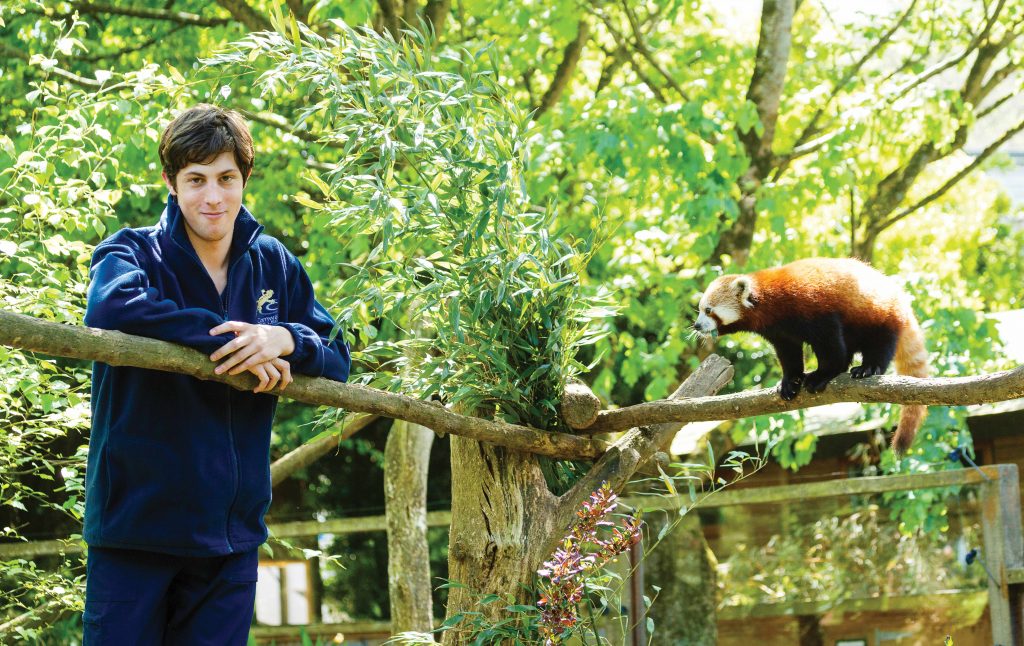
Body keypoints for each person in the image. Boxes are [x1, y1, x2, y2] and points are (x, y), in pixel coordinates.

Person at [81, 104, 350, 645]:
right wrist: (235, 338)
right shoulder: (131, 251)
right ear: (170, 183)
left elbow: (338, 353)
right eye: (196, 180)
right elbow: (110, 309)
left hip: (229, 538)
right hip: (135, 529)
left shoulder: (274, 264)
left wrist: (284, 338)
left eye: (227, 179)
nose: (213, 197)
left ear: (245, 179)